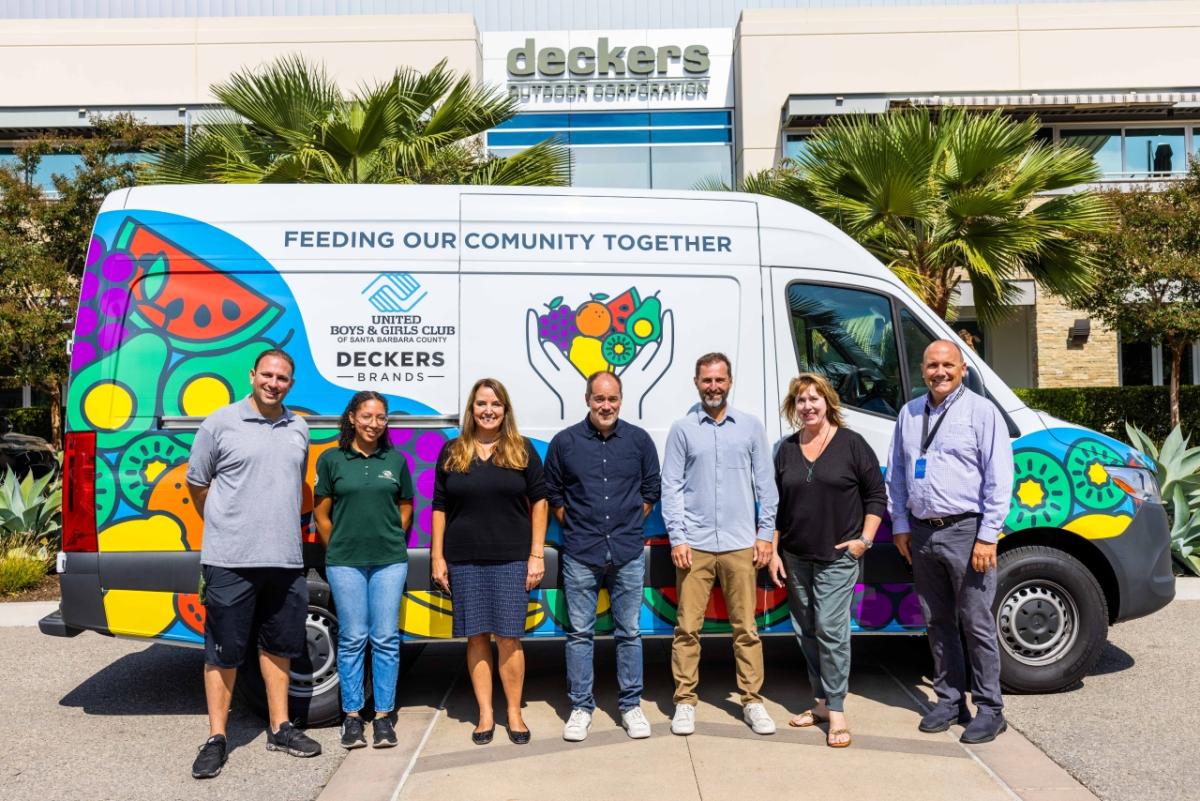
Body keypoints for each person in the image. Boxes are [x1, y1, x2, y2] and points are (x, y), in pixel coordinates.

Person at [185, 349, 321, 780]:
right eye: (267, 375)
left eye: (282, 377)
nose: (273, 383)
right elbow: (197, 482)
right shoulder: (219, 423)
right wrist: (227, 524)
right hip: (230, 559)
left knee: (279, 647)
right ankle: (217, 737)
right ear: (253, 375)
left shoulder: (298, 427)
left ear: (290, 384)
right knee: (223, 650)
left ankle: (280, 727)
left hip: (284, 559)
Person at [887, 339, 1014, 745]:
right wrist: (901, 525)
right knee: (937, 622)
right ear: (922, 369)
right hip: (923, 533)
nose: (939, 372)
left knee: (976, 622)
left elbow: (999, 478)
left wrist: (987, 536)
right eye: (931, 365)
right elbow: (899, 474)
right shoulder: (909, 414)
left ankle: (991, 709)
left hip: (966, 531)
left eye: (947, 365)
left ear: (962, 369)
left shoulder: (981, 411)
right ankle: (949, 700)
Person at [661, 352, 779, 737]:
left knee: (745, 628)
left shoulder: (749, 428)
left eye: (720, 380)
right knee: (687, 630)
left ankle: (752, 701)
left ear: (730, 382)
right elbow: (671, 487)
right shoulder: (682, 429)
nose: (714, 386)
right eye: (707, 380)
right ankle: (684, 701)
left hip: (740, 545)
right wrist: (677, 537)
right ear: (697, 382)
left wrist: (764, 535)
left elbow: (766, 486)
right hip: (693, 547)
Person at [768, 373, 886, 748]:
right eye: (801, 401)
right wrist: (773, 550)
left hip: (838, 557)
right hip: (796, 556)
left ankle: (836, 711)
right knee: (806, 632)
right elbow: (777, 508)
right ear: (794, 407)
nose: (808, 406)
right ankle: (819, 703)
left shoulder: (852, 444)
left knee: (832, 631)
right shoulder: (786, 449)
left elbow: (876, 496)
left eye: (814, 399)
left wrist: (864, 541)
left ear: (828, 402)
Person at [430, 378, 549, 745]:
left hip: (511, 558)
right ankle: (486, 713)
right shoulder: (453, 451)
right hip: (464, 558)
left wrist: (536, 554)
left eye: (495, 404)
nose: (488, 410)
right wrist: (437, 556)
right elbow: (439, 506)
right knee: (477, 637)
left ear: (505, 410)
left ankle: (513, 711)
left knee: (510, 638)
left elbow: (540, 502)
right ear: (472, 409)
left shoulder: (522, 449)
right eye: (482, 403)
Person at [544, 371, 661, 742]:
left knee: (629, 633)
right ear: (587, 400)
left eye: (611, 399)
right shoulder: (565, 443)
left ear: (621, 400)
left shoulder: (639, 441)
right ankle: (581, 707)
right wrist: (578, 526)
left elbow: (650, 489)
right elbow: (554, 493)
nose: (605, 406)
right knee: (580, 634)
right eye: (599, 399)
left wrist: (626, 524)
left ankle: (631, 705)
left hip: (626, 551)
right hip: (581, 551)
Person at [313, 391, 414, 750]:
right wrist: (337, 546)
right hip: (345, 563)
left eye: (381, 417)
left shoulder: (396, 460)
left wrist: (389, 539)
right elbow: (321, 513)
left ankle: (384, 717)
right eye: (367, 416)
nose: (374, 424)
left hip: (389, 561)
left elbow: (405, 507)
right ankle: (353, 717)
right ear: (353, 417)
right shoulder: (331, 460)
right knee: (353, 638)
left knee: (385, 639)